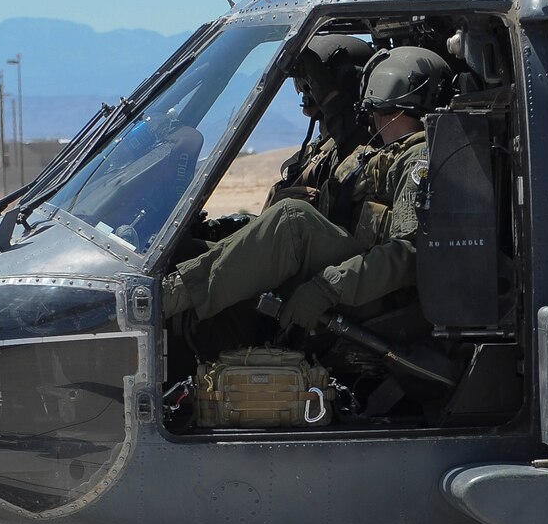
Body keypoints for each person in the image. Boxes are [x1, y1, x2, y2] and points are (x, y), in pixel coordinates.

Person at [162, 46, 451, 336]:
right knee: (252, 234)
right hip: (356, 275)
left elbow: (409, 253)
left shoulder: (418, 159)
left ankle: (166, 299)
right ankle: (180, 276)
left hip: (374, 292)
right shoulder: (379, 150)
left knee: (293, 222)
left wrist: (330, 285)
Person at [264, 33, 375, 219]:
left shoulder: (354, 145)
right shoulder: (317, 150)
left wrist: (317, 75)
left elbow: (341, 119)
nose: (302, 90)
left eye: (309, 83)